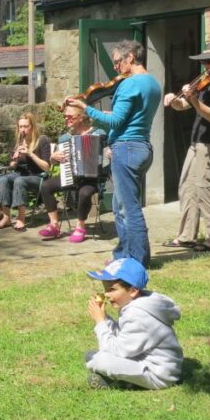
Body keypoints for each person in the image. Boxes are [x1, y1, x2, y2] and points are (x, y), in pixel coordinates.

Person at [67, 40, 161, 267]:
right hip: (142, 146)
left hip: (127, 148)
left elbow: (116, 121)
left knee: (129, 208)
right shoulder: (153, 83)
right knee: (120, 205)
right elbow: (130, 117)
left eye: (118, 62)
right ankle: (124, 254)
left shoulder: (129, 84)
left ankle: (138, 260)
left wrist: (85, 108)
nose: (116, 68)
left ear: (130, 58)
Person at [162, 42, 210, 252]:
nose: (206, 65)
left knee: (206, 190)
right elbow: (183, 106)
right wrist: (173, 101)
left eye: (209, 61)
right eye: (204, 61)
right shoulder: (205, 83)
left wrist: (195, 101)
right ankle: (187, 236)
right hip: (197, 144)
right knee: (187, 188)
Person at [83, 257, 183, 390]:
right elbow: (123, 337)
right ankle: (123, 380)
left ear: (133, 291)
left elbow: (117, 351)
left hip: (159, 375)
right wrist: (105, 318)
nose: (106, 294)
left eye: (112, 289)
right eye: (105, 288)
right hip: (146, 361)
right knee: (91, 355)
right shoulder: (138, 303)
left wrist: (100, 322)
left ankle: (123, 382)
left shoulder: (137, 314)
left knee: (97, 360)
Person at [38, 103, 106, 243]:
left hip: (91, 179)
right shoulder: (65, 138)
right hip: (71, 176)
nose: (66, 119)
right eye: (65, 117)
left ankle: (80, 227)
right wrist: (53, 157)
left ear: (81, 117)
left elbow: (107, 157)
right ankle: (54, 225)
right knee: (46, 186)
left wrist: (108, 154)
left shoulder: (99, 134)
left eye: (70, 116)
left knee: (84, 193)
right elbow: (55, 162)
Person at [0, 113, 51, 231]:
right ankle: (6, 217)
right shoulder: (19, 141)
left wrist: (30, 153)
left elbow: (47, 167)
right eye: (20, 126)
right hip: (21, 174)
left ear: (32, 126)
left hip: (38, 176)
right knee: (4, 179)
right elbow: (12, 166)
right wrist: (15, 160)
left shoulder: (42, 140)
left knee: (19, 180)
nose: (22, 129)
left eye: (26, 126)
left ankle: (21, 218)